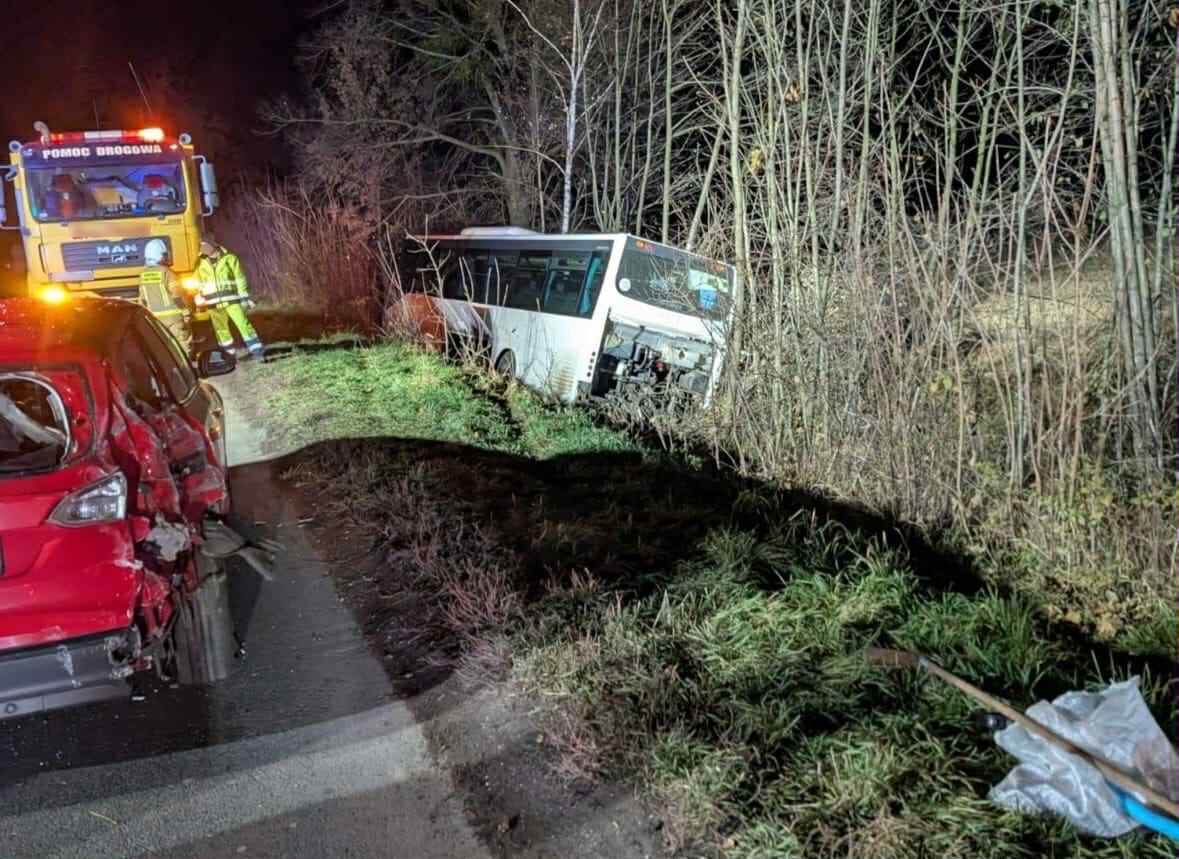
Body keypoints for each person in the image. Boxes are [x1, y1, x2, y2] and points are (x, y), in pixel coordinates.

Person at [194, 237, 264, 359]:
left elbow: (240, 278)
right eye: (201, 246)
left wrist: (243, 297)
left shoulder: (230, 258)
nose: (203, 248)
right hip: (212, 303)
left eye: (205, 245)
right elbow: (197, 282)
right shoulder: (199, 262)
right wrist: (199, 295)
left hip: (232, 299)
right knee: (221, 331)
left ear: (213, 245)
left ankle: (258, 352)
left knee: (244, 325)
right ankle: (228, 356)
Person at [138, 239, 192, 354]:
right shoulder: (167, 273)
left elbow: (142, 300)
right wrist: (186, 312)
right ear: (159, 255)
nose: (166, 257)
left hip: (155, 320)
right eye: (164, 255)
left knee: (162, 350)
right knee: (182, 348)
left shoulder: (143, 276)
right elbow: (177, 296)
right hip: (174, 319)